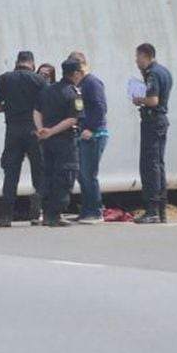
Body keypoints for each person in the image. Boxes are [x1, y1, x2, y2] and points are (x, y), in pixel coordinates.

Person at [0, 50, 46, 227]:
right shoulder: (39, 80)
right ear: (32, 63)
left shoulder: (6, 79)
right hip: (34, 130)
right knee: (39, 171)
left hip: (13, 131)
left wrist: (10, 108)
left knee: (11, 173)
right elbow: (47, 106)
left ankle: (6, 216)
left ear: (17, 62)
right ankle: (36, 214)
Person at [34, 59, 85, 228]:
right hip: (64, 140)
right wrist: (52, 131)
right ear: (76, 74)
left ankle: (47, 213)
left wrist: (42, 130)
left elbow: (36, 111)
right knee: (65, 175)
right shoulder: (73, 93)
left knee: (48, 174)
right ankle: (56, 214)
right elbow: (72, 119)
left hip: (47, 142)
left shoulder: (47, 90)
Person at [132, 43, 173, 224]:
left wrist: (139, 98)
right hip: (160, 121)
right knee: (158, 163)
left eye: (138, 57)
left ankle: (152, 209)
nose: (136, 61)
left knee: (149, 165)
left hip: (152, 121)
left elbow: (153, 100)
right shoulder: (164, 71)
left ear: (146, 56)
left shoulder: (152, 73)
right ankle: (161, 208)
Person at [68, 51, 109, 224]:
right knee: (82, 174)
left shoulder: (92, 83)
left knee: (89, 173)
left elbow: (100, 107)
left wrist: (91, 128)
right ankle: (86, 209)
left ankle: (95, 210)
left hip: (94, 135)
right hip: (83, 134)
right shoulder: (80, 85)